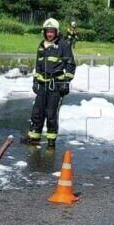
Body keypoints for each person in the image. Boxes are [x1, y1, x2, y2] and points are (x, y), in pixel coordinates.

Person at [28, 18, 76, 147]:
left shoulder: (63, 45)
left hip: (55, 86)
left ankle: (51, 143)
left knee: (51, 114)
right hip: (42, 85)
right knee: (37, 113)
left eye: (52, 32)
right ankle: (34, 139)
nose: (49, 34)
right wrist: (35, 81)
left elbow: (71, 65)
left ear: (56, 32)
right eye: (47, 31)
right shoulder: (41, 45)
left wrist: (65, 82)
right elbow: (38, 65)